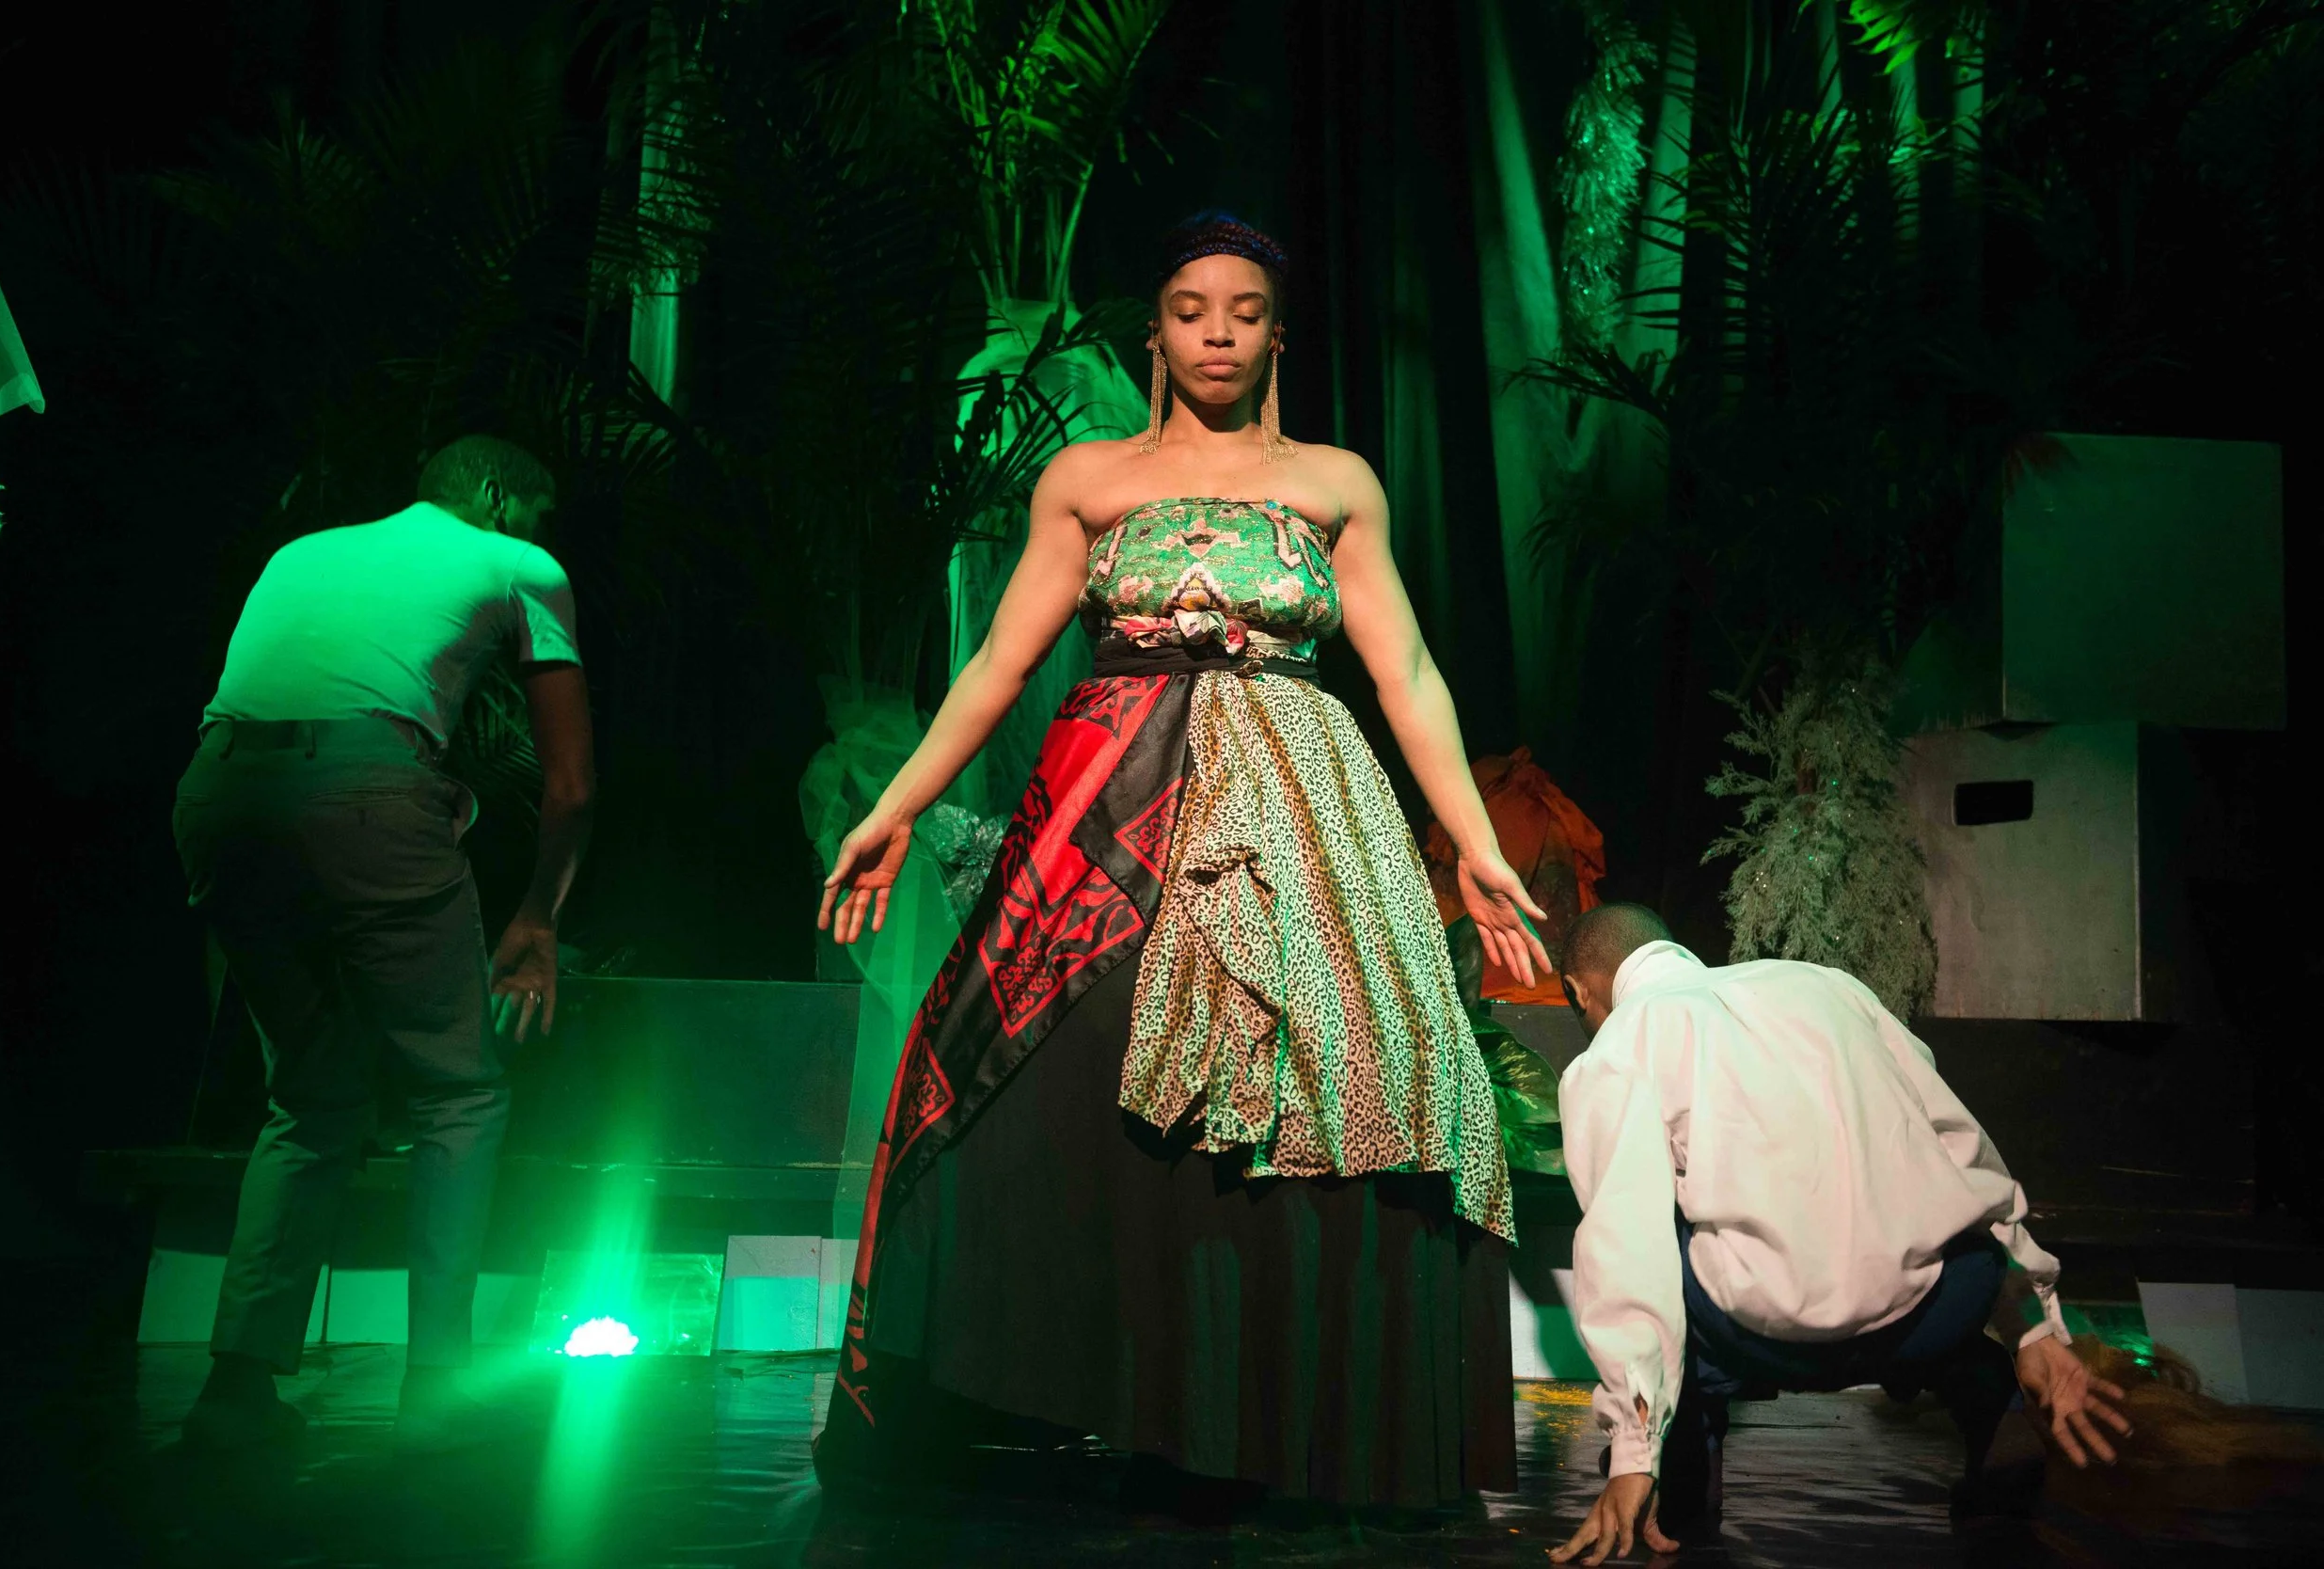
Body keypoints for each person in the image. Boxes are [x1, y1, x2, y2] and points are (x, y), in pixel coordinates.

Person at [812, 214, 1549, 1511]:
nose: (1218, 332)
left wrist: (1477, 848)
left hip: (1300, 791)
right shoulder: (1090, 479)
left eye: (1245, 309)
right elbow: (997, 664)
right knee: (1036, 1057)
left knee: (1328, 1072)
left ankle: (1280, 1416)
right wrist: (899, 804)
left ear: (1278, 331)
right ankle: (1048, 1382)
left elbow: (1409, 671)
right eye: (1193, 308)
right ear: (1154, 332)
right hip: (1111, 787)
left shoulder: (1337, 482)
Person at [175, 436, 594, 1451]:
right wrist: (536, 919)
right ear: (498, 497)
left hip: (217, 790)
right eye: (536, 513)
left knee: (310, 1095)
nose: (541, 537)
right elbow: (570, 780)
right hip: (363, 793)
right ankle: (437, 1390)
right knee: (458, 1090)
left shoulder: (302, 552)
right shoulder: (519, 565)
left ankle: (233, 1386)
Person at [1545, 904, 2133, 1564]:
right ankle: (1986, 1394)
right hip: (1933, 1313)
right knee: (1933, 1198)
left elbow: (1627, 1247)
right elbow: (1958, 1146)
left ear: (1579, 991)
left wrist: (1632, 1450)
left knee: (1659, 1226)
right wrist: (2033, 1326)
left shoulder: (1623, 1041)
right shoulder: (1829, 986)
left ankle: (1683, 1477)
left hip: (1770, 1337)